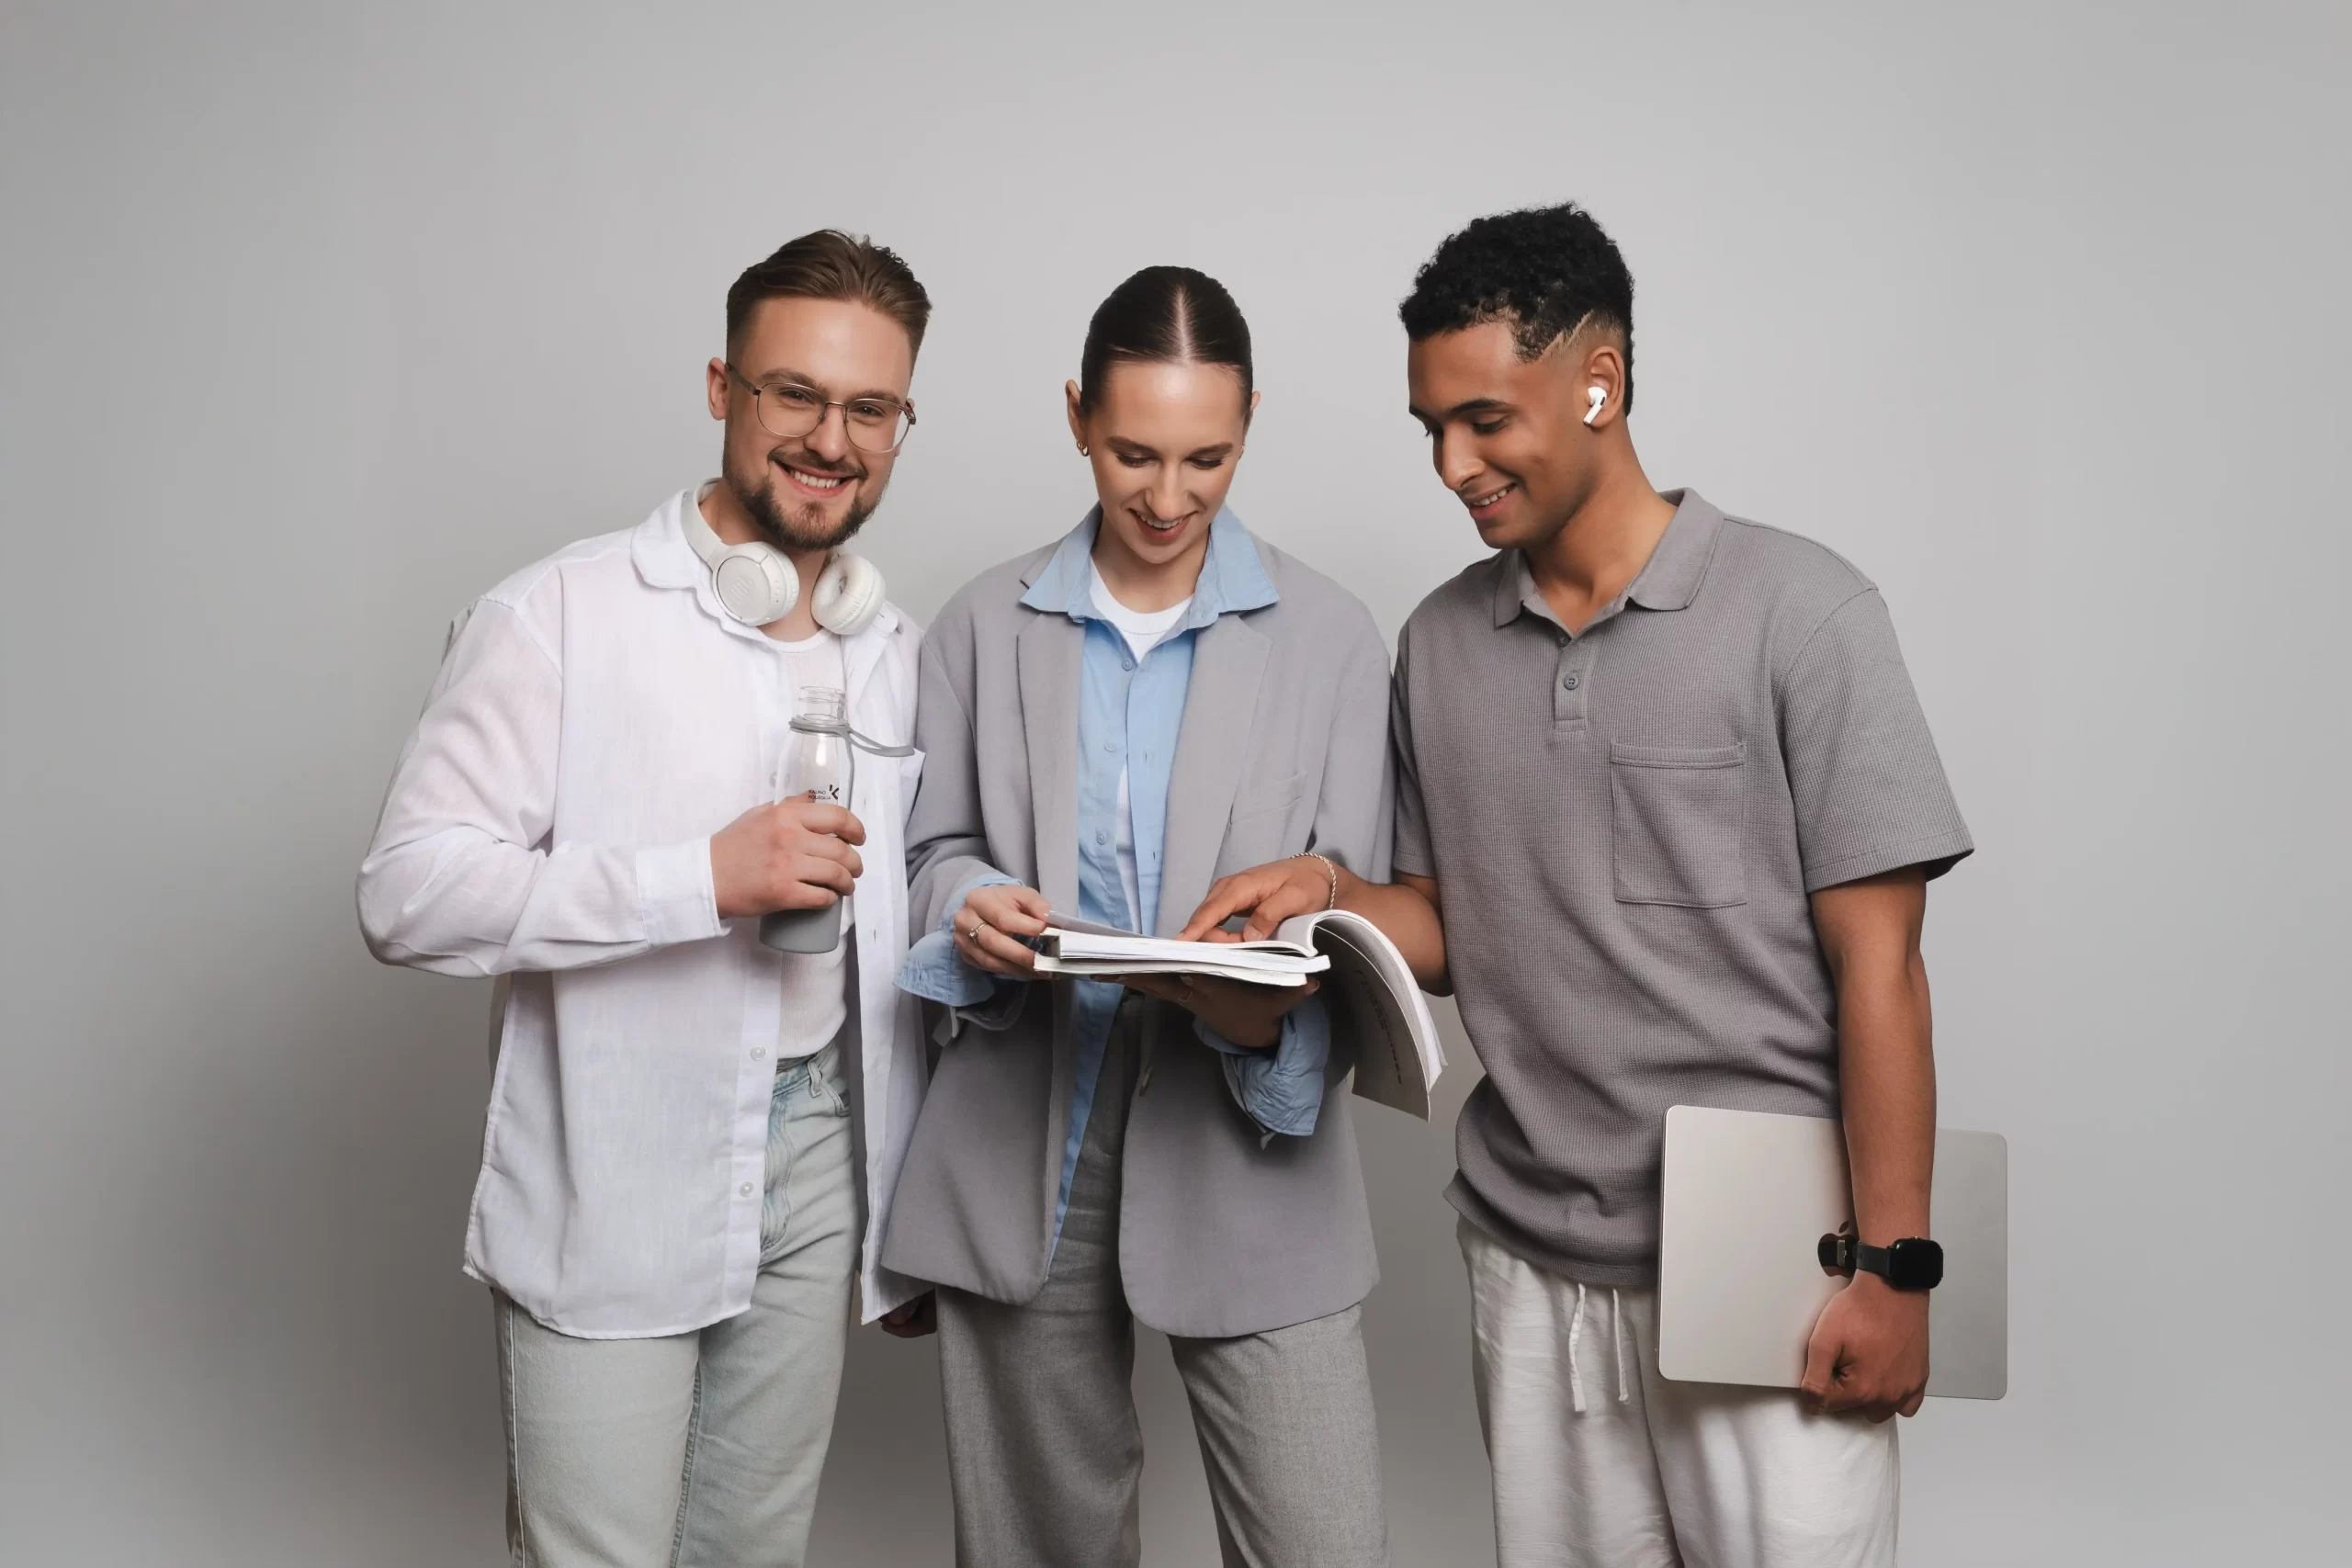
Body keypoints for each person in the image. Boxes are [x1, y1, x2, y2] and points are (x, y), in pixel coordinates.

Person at [1184, 203, 1974, 1567]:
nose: (1451, 463)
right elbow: (1454, 921)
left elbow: (1882, 968)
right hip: (1529, 1252)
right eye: (1430, 426)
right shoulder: (1438, 643)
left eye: (1485, 418)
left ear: (1601, 379)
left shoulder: (1806, 612)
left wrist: (1896, 1267)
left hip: (1776, 1254)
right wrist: (1323, 893)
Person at [356, 230, 936, 1568]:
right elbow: (405, 893)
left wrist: (904, 1214)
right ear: (724, 387)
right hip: (611, 1167)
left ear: (903, 422)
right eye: (796, 394)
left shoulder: (895, 650)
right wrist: (699, 878)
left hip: (823, 1164)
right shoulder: (557, 614)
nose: (830, 439)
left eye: (870, 408)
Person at [885, 265, 1393, 1568]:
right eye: (1133, 454)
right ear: (1075, 418)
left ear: (1251, 425)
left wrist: (1277, 978)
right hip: (1022, 1139)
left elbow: (1357, 897)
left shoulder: (1332, 637)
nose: (1169, 498)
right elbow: (930, 851)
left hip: (1247, 1138)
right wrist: (968, 906)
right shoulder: (981, 627)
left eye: (1208, 458)